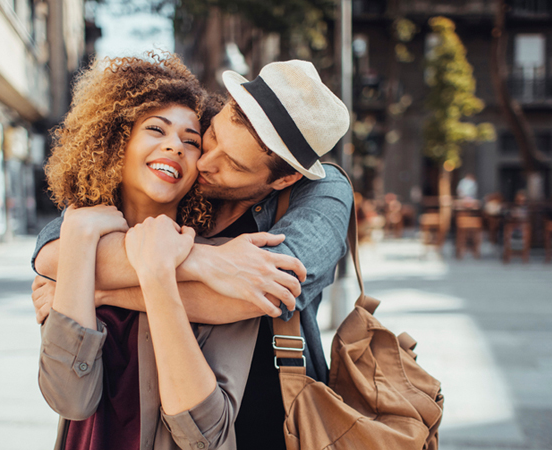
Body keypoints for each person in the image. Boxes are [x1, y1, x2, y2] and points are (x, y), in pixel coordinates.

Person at [32, 58, 354, 449]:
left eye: (232, 165)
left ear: (284, 178)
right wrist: (207, 262)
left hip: (270, 423)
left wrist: (90, 287)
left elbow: (258, 292)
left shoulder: (321, 195)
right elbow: (53, 250)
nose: (203, 160)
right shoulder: (171, 192)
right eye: (210, 136)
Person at [37, 52, 260, 449]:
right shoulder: (81, 246)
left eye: (191, 141)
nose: (175, 146)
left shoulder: (228, 264)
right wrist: (77, 239)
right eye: (156, 129)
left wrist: (158, 275)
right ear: (115, 140)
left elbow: (207, 439)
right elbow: (70, 398)